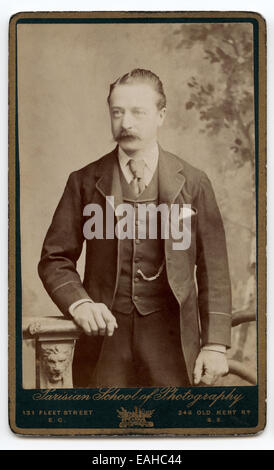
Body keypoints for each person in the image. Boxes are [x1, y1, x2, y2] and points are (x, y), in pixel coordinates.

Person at [38, 68, 232, 388]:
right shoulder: (84, 182)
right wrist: (80, 303)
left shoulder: (194, 183)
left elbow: (215, 269)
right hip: (103, 343)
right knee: (102, 431)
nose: (126, 123)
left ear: (161, 115)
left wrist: (214, 345)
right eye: (117, 112)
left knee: (174, 432)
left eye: (138, 112)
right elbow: (54, 259)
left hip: (172, 341)